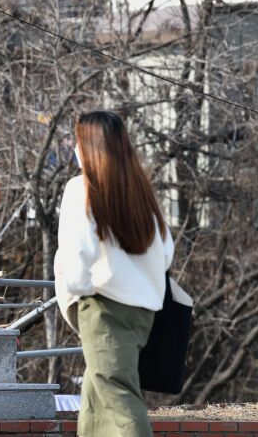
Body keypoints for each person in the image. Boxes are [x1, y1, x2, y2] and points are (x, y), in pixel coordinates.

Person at [54, 111, 174, 437]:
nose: (74, 149)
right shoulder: (140, 191)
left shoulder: (82, 187)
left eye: (78, 142)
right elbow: (165, 254)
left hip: (103, 308)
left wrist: (78, 289)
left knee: (118, 394)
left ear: (89, 146)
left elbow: (77, 248)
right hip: (142, 310)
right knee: (95, 404)